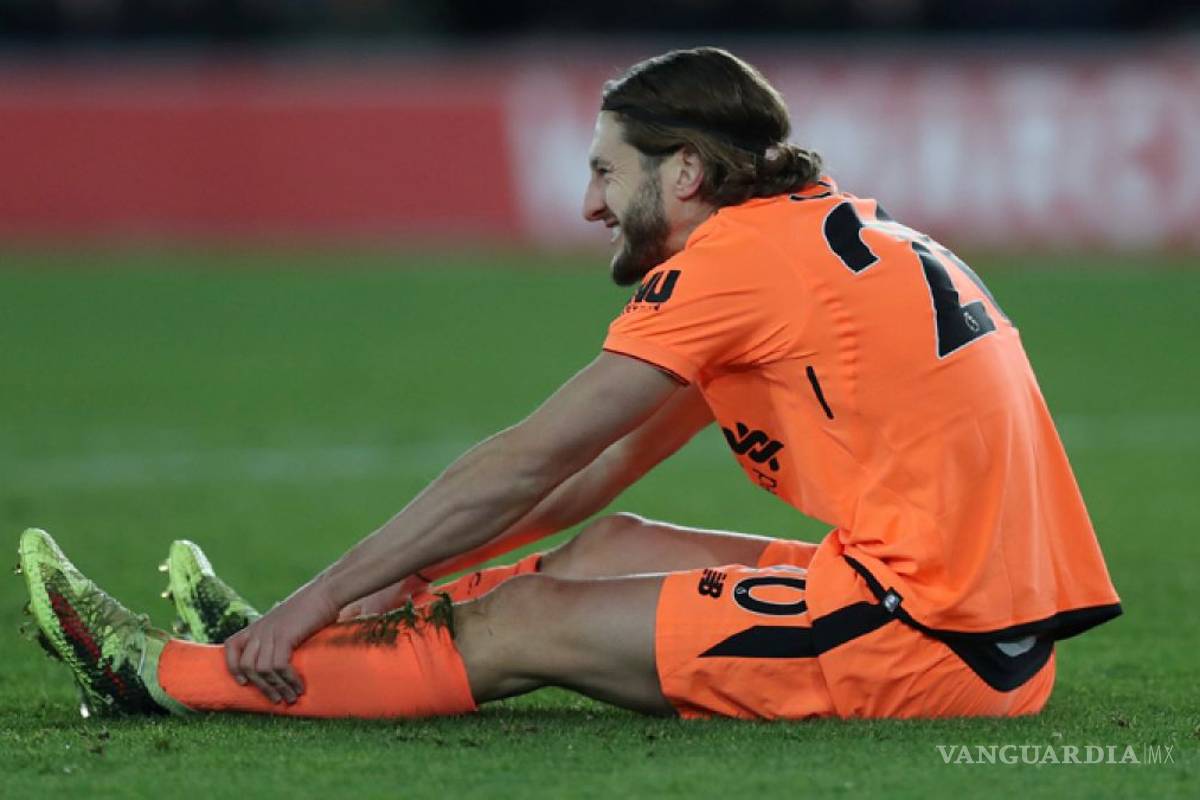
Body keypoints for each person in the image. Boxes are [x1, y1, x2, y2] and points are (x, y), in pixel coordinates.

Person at [19, 46, 1121, 721]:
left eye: (606, 170)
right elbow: (591, 475)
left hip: (933, 645)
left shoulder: (736, 265)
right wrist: (366, 587)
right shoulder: (810, 239)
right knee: (601, 545)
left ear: (684, 172)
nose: (590, 204)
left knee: (526, 619)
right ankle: (315, 650)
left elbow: (529, 457)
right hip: (976, 615)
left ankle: (160, 672)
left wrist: (316, 592)